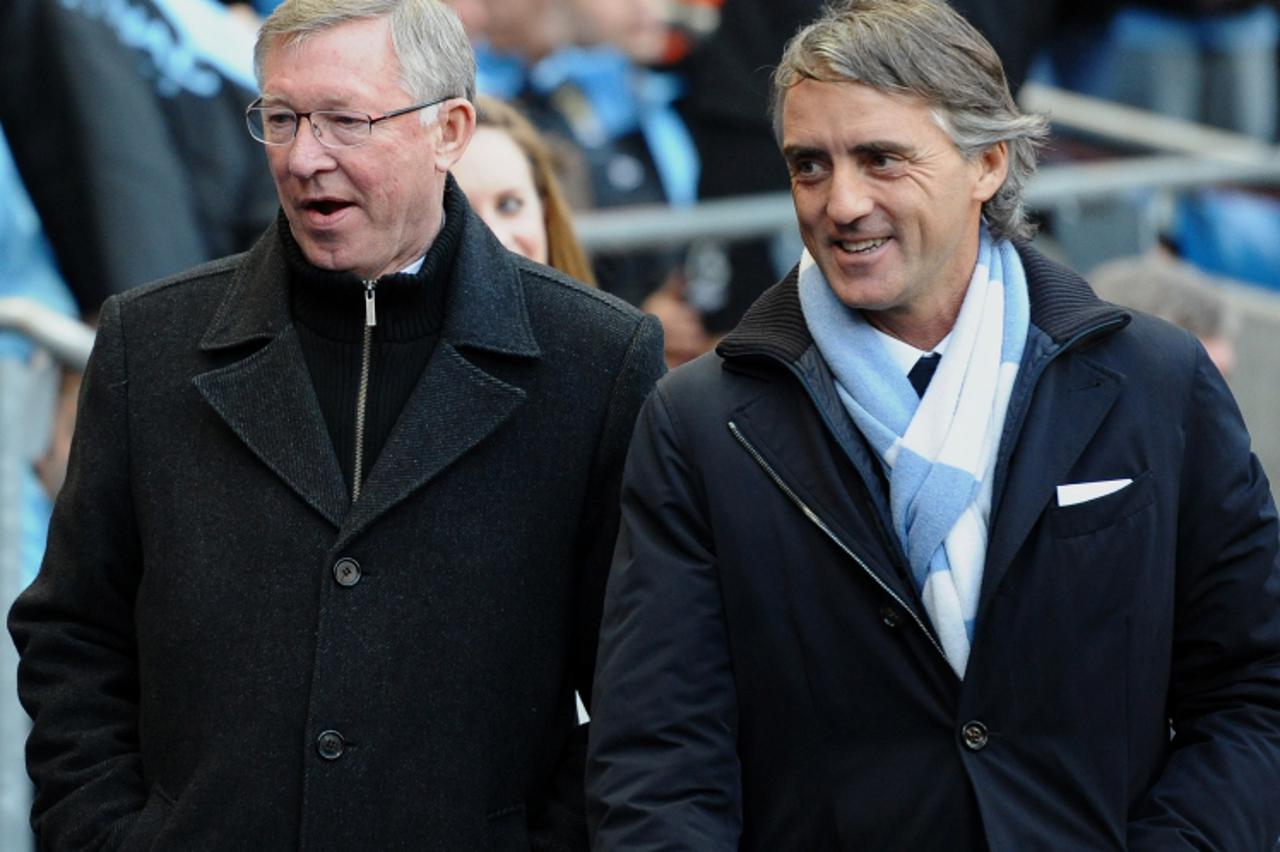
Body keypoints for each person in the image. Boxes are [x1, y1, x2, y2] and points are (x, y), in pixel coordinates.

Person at [585, 0, 1280, 849]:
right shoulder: (701, 423)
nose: (841, 203)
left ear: (988, 162)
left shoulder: (1154, 383)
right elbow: (660, 759)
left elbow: (1252, 692)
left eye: (881, 159)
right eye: (809, 166)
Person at [8, 0, 665, 848]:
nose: (305, 157)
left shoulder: (596, 358)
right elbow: (75, 635)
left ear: (450, 130)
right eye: (281, 119)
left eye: (345, 121)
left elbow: (642, 679)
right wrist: (106, 834)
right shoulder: (152, 344)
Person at [452, 95, 597, 283]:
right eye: (460, 214)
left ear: (545, 210)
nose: (497, 237)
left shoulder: (603, 312)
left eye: (509, 205)